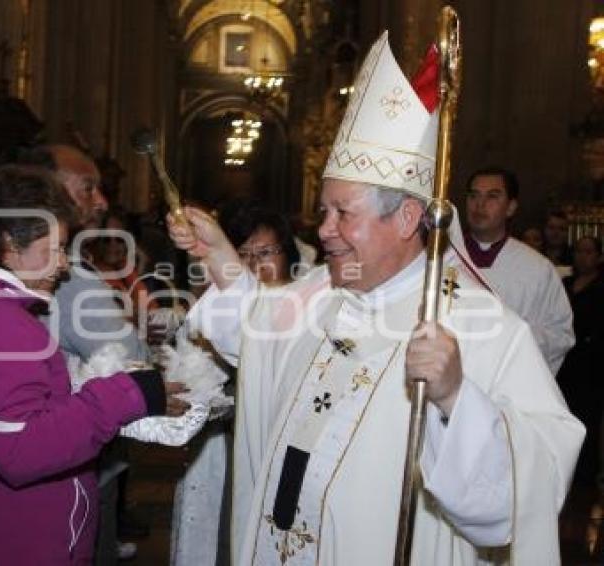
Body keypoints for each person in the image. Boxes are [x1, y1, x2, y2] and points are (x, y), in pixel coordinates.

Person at [169, 31, 583, 564]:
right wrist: (220, 256)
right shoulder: (322, 291)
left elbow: (535, 479)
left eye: (345, 213)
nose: (325, 230)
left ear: (408, 218)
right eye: (323, 211)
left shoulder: (483, 326)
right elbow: (259, 328)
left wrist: (457, 398)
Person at [0, 165, 168, 565]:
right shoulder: (4, 324)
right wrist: (128, 393)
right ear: (11, 244)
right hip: (22, 535)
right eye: (57, 247)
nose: (64, 264)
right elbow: (20, 450)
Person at [464, 166, 574, 374]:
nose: (479, 205)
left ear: (511, 207)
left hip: (508, 383)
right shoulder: (439, 259)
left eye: (492, 197)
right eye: (473, 196)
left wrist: (511, 339)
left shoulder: (537, 269)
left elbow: (560, 335)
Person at [558, 236, 604, 487]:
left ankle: (586, 476)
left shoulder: (600, 287)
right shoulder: (565, 283)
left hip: (591, 365)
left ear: (598, 257)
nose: (582, 256)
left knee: (587, 420)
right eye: (578, 251)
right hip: (565, 362)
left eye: (588, 252)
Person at [218, 199, 303, 286]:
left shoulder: (306, 295)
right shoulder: (225, 295)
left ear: (288, 255)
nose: (254, 265)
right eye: (242, 254)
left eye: (264, 252)